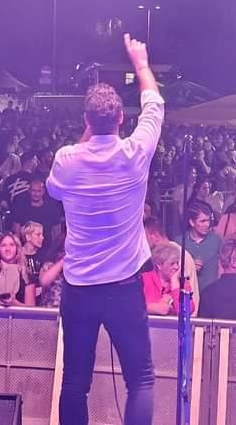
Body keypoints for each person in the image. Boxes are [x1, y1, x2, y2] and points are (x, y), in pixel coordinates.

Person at [47, 34, 163, 425]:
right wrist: (140, 63)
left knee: (75, 382)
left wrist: (88, 136)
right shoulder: (134, 153)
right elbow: (154, 104)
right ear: (121, 120)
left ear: (86, 121)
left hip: (79, 287)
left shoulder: (67, 160)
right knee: (140, 379)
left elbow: (54, 190)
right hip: (122, 287)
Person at [179, 201, 223, 292]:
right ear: (192, 222)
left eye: (208, 220)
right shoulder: (180, 242)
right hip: (188, 293)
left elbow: (222, 267)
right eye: (203, 221)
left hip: (212, 292)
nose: (207, 225)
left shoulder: (217, 241)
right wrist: (189, 266)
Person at [141, 241, 192, 317]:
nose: (176, 267)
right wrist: (152, 308)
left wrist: (175, 284)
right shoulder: (144, 279)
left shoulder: (184, 284)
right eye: (172, 264)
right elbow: (130, 307)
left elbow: (186, 311)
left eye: (177, 263)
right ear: (159, 265)